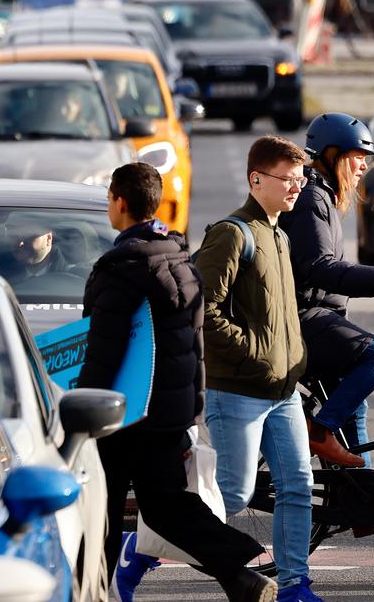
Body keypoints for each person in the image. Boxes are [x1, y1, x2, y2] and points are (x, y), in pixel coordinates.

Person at [76, 163, 273, 602]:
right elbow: (194, 344)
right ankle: (240, 574)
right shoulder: (180, 258)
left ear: (119, 202)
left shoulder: (121, 268)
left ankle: (92, 593)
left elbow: (103, 354)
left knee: (100, 512)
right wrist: (191, 412)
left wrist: (79, 410)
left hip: (122, 416)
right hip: (167, 414)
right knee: (165, 507)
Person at [194, 136, 319, 602]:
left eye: (300, 179)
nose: (297, 188)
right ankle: (139, 554)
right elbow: (203, 310)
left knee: (297, 485)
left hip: (283, 390)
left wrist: (294, 358)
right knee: (232, 496)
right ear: (256, 179)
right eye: (288, 179)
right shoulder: (232, 233)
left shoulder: (280, 236)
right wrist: (253, 351)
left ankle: (295, 585)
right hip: (238, 392)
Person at [279, 114, 374, 476]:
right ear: (331, 154)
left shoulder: (324, 197)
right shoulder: (311, 200)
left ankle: (367, 500)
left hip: (319, 315)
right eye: (357, 156)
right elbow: (319, 267)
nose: (364, 165)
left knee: (355, 406)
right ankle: (319, 431)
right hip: (305, 318)